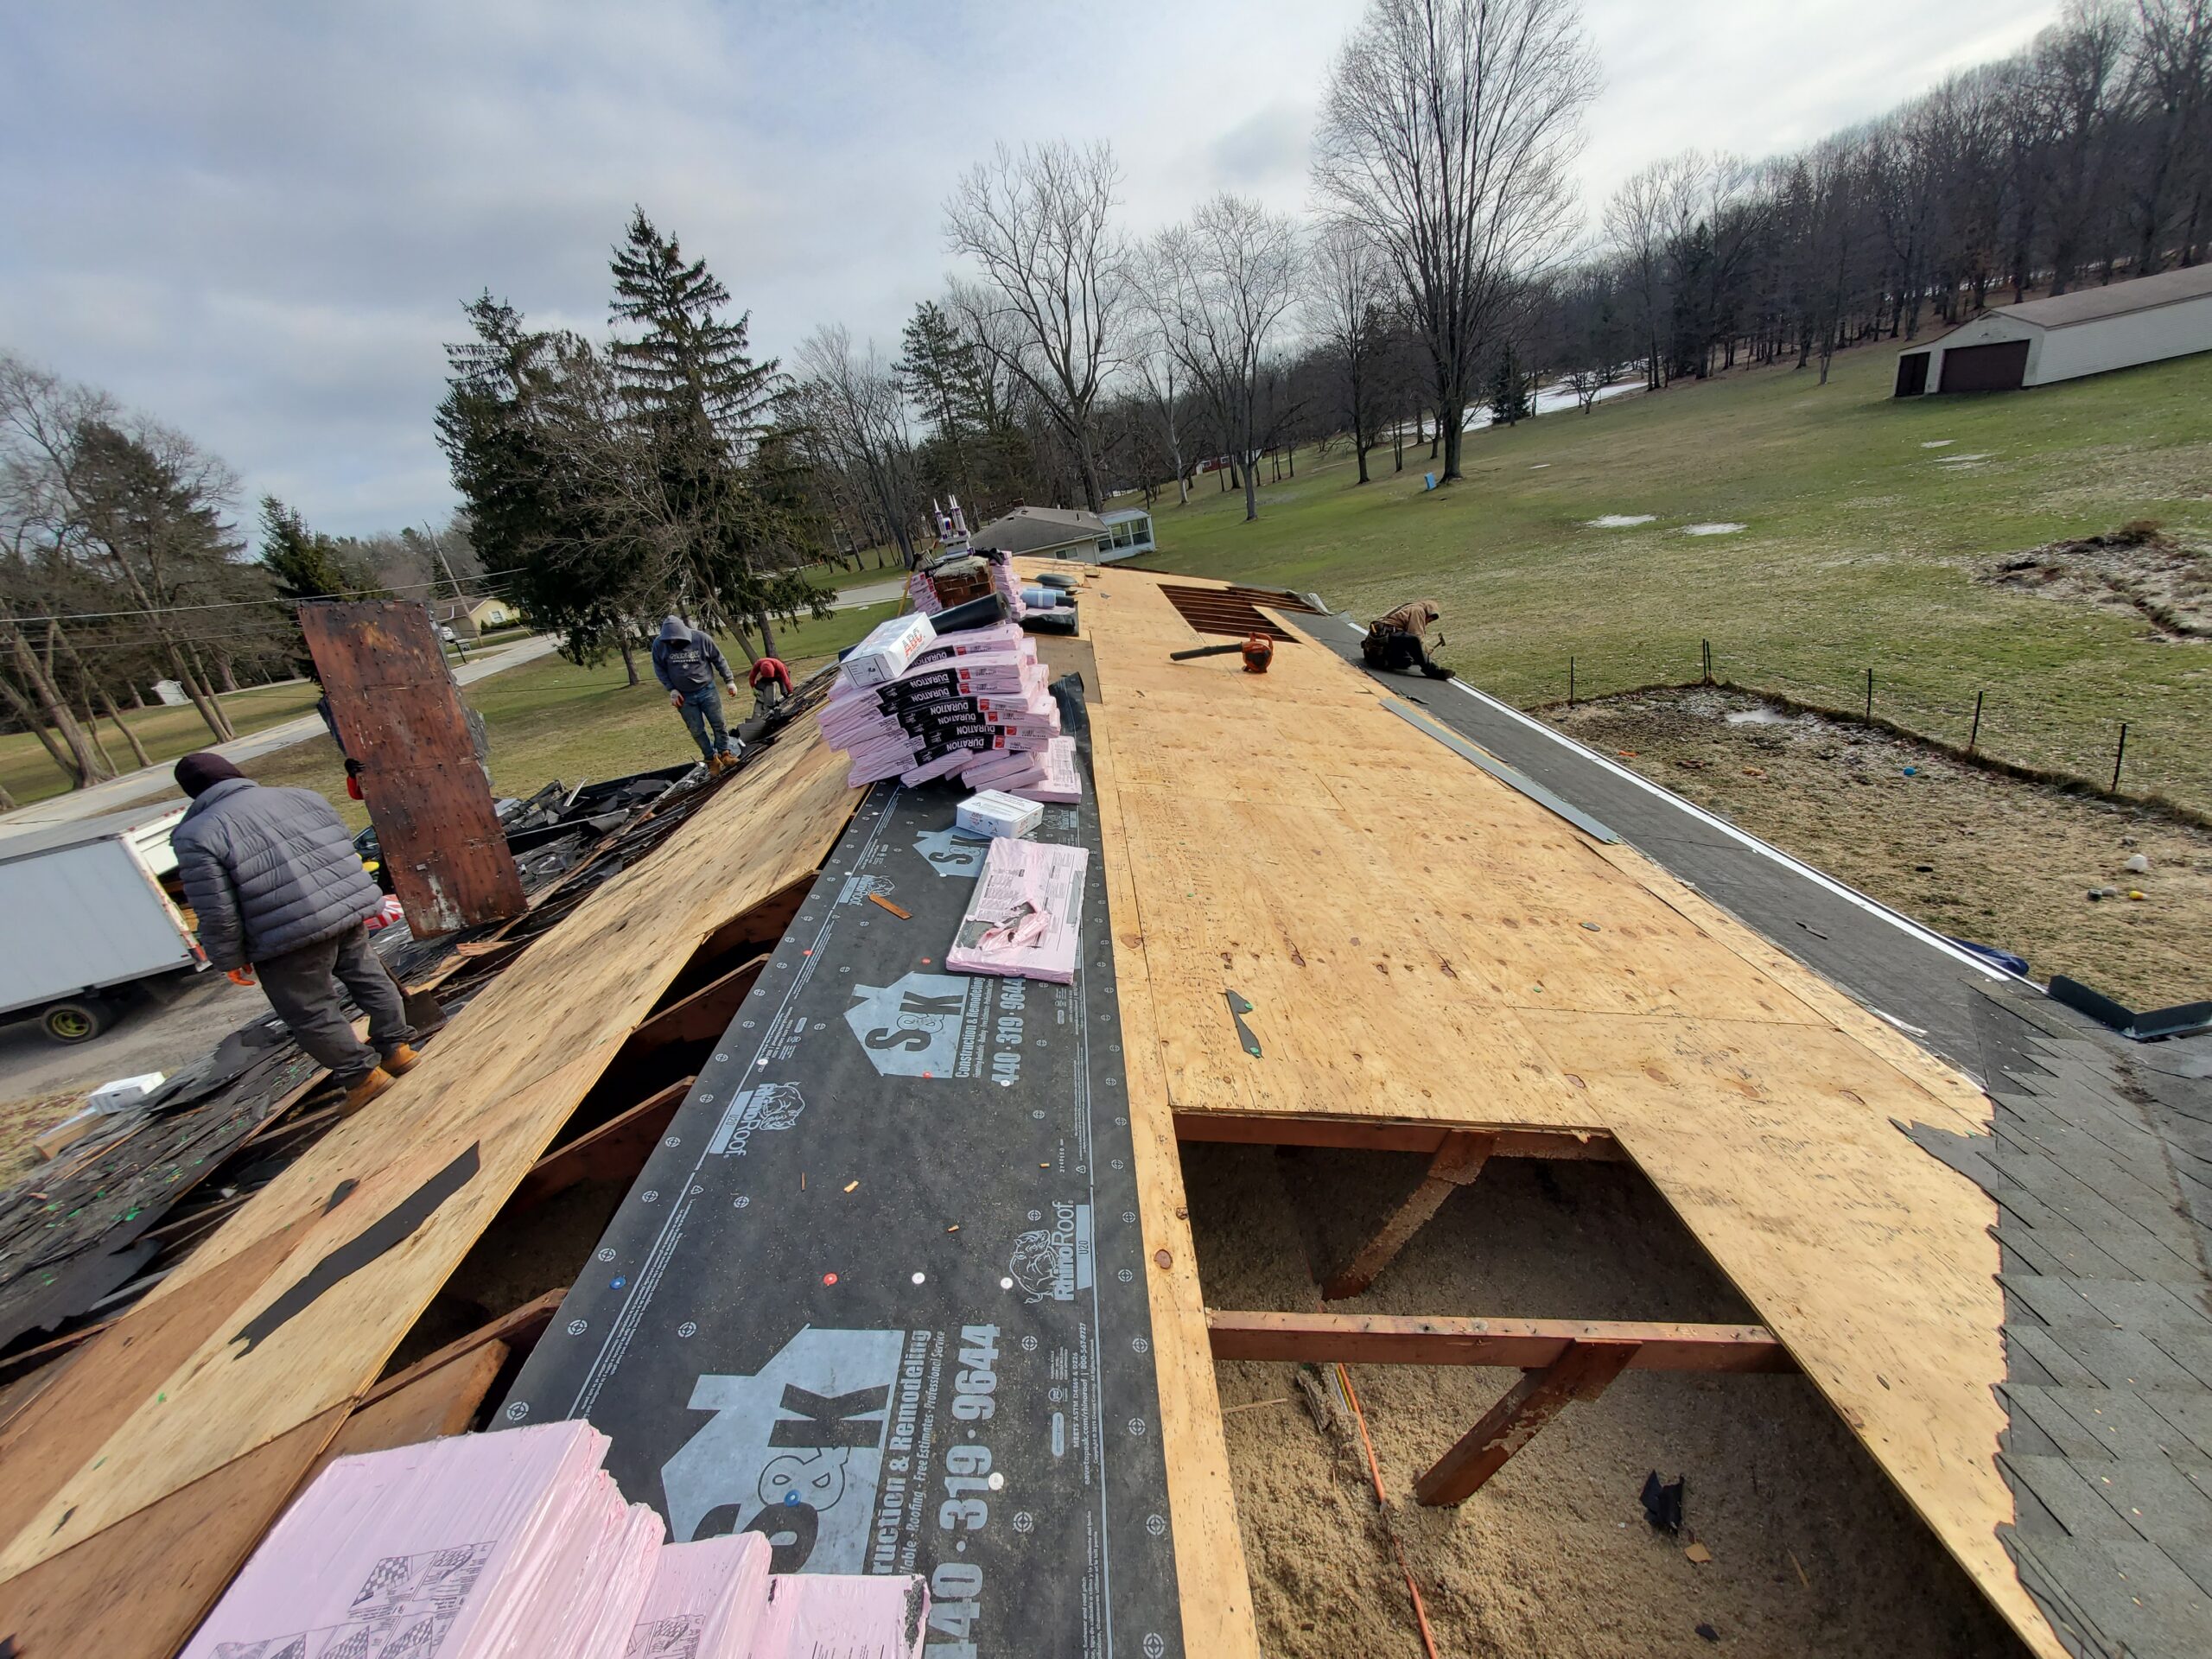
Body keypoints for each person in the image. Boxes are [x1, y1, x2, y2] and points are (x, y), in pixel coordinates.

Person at [169, 752, 418, 1116]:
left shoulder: (196, 834)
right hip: (345, 914)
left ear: (193, 793)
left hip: (284, 940)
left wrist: (229, 958)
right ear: (234, 773)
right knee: (369, 978)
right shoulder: (303, 797)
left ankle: (362, 1076)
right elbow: (340, 851)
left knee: (312, 1011)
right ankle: (398, 1050)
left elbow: (216, 909)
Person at [653, 614, 743, 772]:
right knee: (696, 729)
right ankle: (711, 760)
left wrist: (729, 681)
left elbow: (718, 659)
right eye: (670, 640)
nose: (673, 643)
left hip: (707, 689)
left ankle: (725, 754)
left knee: (718, 723)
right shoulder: (659, 645)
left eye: (676, 639)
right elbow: (659, 669)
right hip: (683, 696)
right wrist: (672, 690)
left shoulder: (701, 639)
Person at [1362, 599, 1453, 679]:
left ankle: (1382, 659)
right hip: (1385, 638)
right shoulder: (1418, 611)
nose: (1427, 623)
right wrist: (1426, 650)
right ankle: (1432, 670)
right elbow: (1416, 636)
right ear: (1428, 614)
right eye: (1428, 621)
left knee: (1406, 661)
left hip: (1375, 644)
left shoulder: (1408, 607)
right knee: (1413, 640)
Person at [748, 653, 792, 720]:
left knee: (784, 689)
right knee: (760, 686)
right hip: (767, 675)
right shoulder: (758, 664)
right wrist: (754, 688)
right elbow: (751, 678)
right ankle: (764, 705)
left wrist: (790, 691)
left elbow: (786, 679)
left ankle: (786, 694)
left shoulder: (779, 665)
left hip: (780, 675)